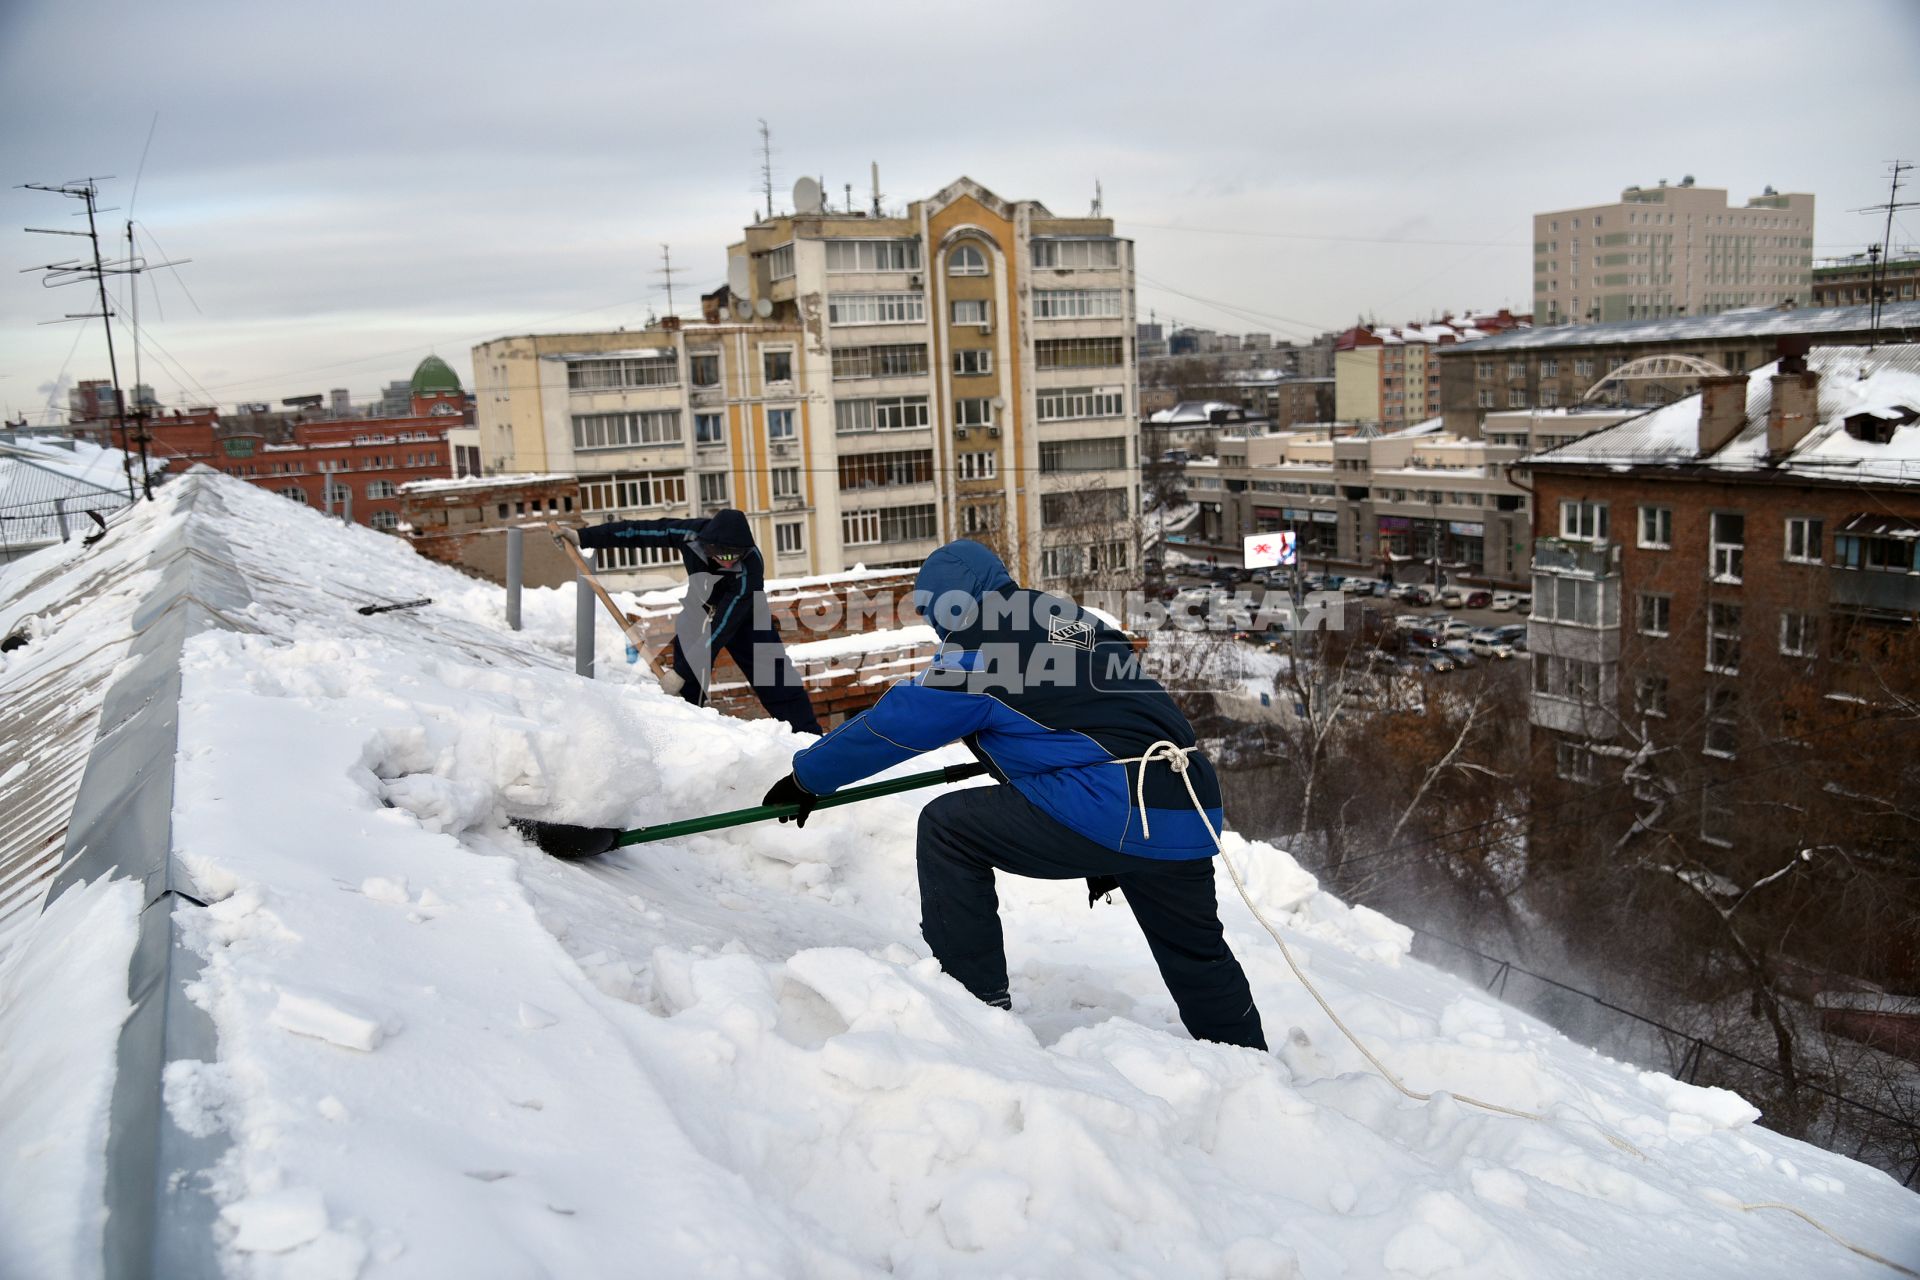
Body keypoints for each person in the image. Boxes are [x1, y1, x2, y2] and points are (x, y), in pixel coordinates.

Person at [761, 539, 1265, 1050]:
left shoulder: (982, 648)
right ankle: (1250, 1064)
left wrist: (808, 777)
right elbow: (1095, 706)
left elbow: (896, 725)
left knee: (948, 828)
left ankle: (972, 1006)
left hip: (1115, 802)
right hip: (1186, 799)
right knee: (1197, 954)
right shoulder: (1070, 621)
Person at [564, 508, 821, 735]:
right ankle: (688, 740)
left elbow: (721, 628)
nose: (728, 560)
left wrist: (681, 671)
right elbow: (638, 531)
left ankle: (810, 741)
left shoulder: (750, 567)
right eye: (723, 554)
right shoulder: (690, 534)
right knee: (686, 693)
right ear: (709, 544)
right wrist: (583, 537)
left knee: (777, 683)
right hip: (699, 610)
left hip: (746, 618)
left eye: (736, 555)